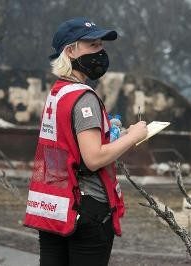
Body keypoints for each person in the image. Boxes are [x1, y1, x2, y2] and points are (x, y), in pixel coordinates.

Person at [24, 17, 148, 266]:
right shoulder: (84, 97)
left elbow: (66, 148)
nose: (100, 52)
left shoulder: (57, 93)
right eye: (92, 45)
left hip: (53, 207)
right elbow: (93, 159)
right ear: (70, 51)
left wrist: (114, 137)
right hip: (86, 210)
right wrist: (134, 136)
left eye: (101, 45)